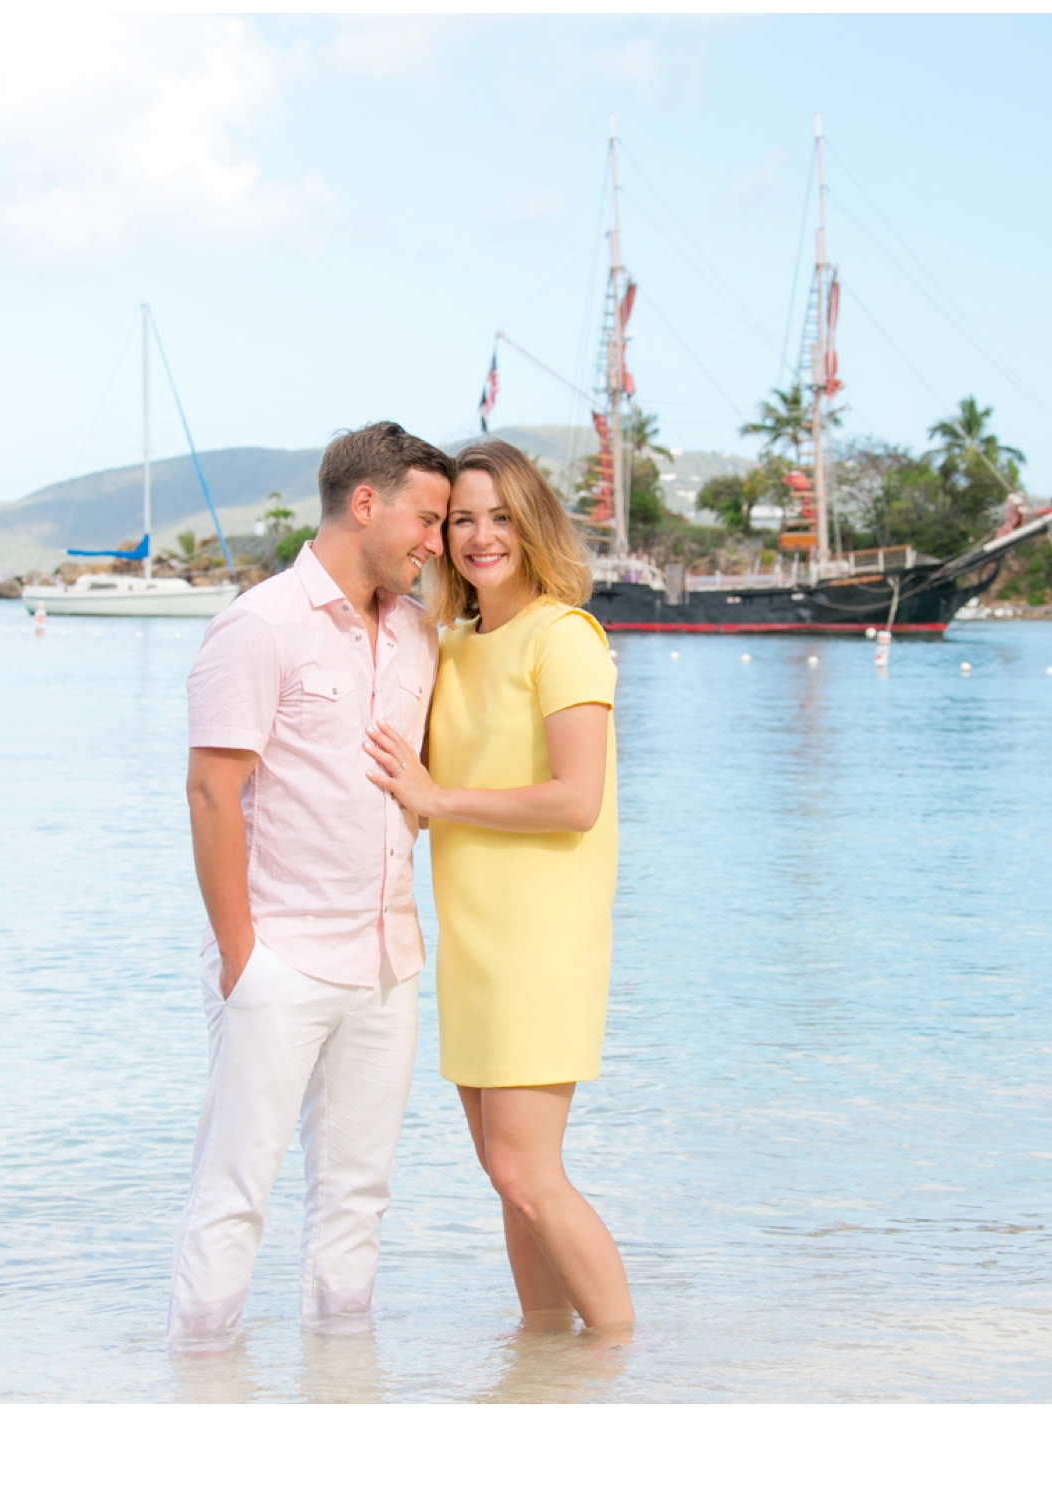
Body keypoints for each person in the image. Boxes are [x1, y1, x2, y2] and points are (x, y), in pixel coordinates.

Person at [168, 421, 454, 1341]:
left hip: (386, 963)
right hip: (280, 960)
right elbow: (212, 793)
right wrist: (242, 958)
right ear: (364, 503)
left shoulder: (417, 636)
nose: (436, 542)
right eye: (429, 517)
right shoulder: (258, 626)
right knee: (234, 1194)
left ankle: (341, 1401)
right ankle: (202, 1392)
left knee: (357, 1198)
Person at [364, 440, 633, 1335]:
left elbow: (575, 799)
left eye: (500, 518)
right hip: (471, 943)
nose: (479, 537)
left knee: (529, 1174)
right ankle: (544, 1356)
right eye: (459, 520)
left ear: (534, 525)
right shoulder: (446, 647)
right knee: (506, 1178)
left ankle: (621, 1358)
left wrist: (438, 796)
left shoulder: (564, 638)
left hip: (541, 941)